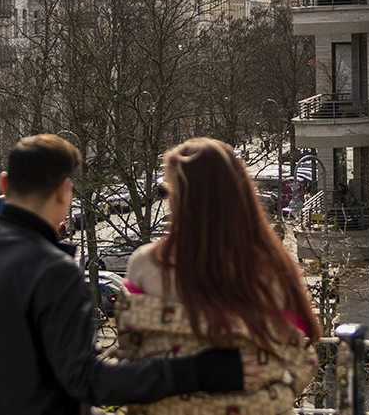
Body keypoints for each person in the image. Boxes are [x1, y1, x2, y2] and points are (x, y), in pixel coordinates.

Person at [0, 134, 249, 415]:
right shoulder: (53, 269)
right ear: (65, 192)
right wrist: (198, 370)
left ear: (4, 184)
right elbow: (88, 379)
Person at [116, 138, 321, 414]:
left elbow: (132, 353)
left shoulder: (146, 264)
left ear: (180, 195)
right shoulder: (271, 268)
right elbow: (298, 348)